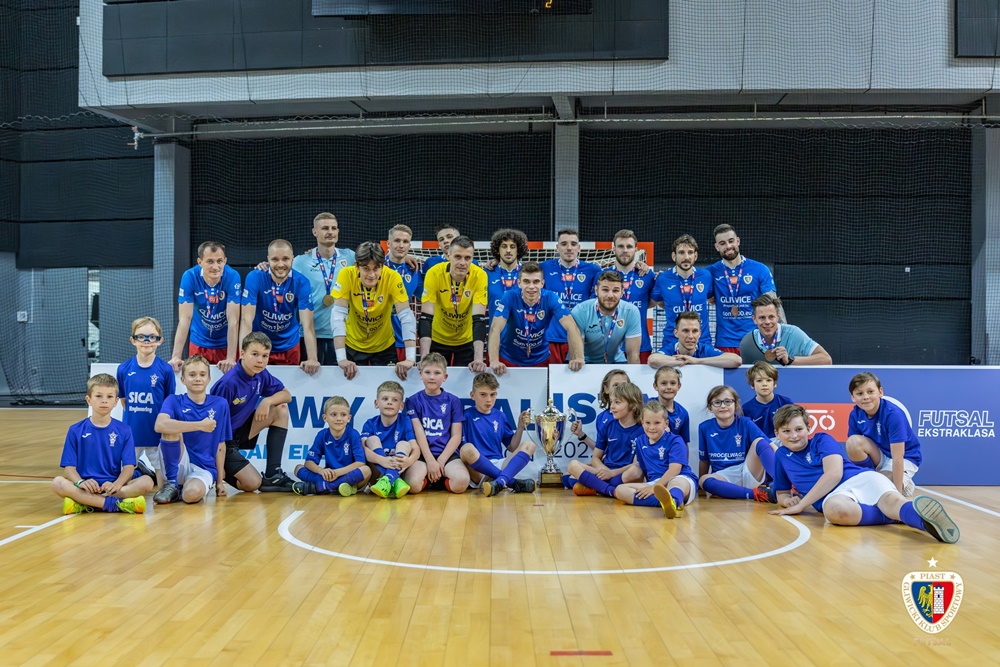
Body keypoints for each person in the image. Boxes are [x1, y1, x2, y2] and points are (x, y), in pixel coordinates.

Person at [769, 404, 959, 543]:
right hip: (834, 498)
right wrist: (788, 501)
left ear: (808, 428)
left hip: (860, 479)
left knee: (892, 501)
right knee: (835, 512)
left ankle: (926, 524)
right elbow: (781, 493)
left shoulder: (821, 440)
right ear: (777, 434)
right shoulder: (781, 457)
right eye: (786, 431)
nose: (794, 435)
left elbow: (834, 474)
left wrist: (801, 505)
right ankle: (900, 515)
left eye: (799, 429)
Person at [570, 401, 697, 519]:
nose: (652, 427)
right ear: (642, 423)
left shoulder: (675, 440)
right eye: (648, 423)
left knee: (677, 483)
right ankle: (666, 502)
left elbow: (674, 470)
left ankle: (674, 501)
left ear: (666, 424)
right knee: (621, 490)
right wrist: (651, 486)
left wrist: (654, 487)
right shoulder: (641, 441)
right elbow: (640, 467)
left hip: (678, 478)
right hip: (655, 484)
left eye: (657, 423)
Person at [52, 374, 151, 514]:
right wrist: (80, 482)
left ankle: (85, 503)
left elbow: (128, 468)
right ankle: (114, 504)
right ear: (89, 400)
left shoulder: (124, 430)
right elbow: (69, 469)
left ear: (116, 401)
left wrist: (116, 484)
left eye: (109, 397)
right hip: (85, 486)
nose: (104, 400)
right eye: (99, 396)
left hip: (111, 486)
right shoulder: (75, 430)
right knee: (57, 483)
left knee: (147, 482)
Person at [209, 332, 294, 492]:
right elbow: (213, 425)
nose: (260, 360)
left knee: (280, 409)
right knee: (253, 484)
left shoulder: (261, 373)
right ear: (242, 354)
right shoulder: (228, 383)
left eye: (265, 355)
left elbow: (287, 395)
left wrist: (267, 401)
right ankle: (215, 470)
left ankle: (273, 473)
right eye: (255, 354)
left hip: (240, 431)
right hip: (222, 440)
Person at [329, 241, 416, 381]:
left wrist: (410, 358)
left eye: (376, 268)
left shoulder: (392, 277)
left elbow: (406, 316)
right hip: (353, 345)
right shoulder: (346, 274)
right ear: (357, 266)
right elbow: (338, 316)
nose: (371, 274)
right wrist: (341, 358)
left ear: (382, 266)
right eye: (365, 268)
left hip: (384, 346)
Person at [153, 356, 233, 504]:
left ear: (209, 379)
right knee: (169, 427)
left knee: (190, 495)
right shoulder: (173, 400)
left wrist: (220, 483)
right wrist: (200, 425)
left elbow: (221, 446)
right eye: (192, 375)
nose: (197, 379)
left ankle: (179, 490)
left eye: (202, 374)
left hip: (203, 467)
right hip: (177, 461)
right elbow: (159, 425)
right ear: (183, 379)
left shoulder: (220, 404)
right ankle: (171, 484)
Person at [487, 261, 585, 374]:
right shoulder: (509, 297)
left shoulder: (550, 298)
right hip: (509, 358)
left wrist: (579, 357)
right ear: (519, 283)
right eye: (526, 281)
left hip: (541, 359)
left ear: (542, 283)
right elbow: (495, 328)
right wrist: (494, 361)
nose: (531, 287)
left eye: (536, 282)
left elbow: (572, 327)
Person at [240, 239, 321, 374]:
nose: (280, 264)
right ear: (268, 260)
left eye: (285, 259)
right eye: (275, 259)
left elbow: (308, 325)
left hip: (289, 346)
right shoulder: (255, 277)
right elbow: (246, 320)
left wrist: (312, 358)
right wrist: (243, 355)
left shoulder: (302, 282)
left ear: (293, 259)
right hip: (259, 347)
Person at [117, 316, 175, 486]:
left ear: (160, 340)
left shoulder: (165, 370)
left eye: (152, 337)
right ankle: (137, 476)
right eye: (141, 336)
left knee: (163, 480)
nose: (147, 341)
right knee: (124, 476)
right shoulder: (123, 369)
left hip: (156, 434)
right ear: (133, 340)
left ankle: (154, 483)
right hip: (132, 434)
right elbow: (124, 401)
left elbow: (168, 403)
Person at [291, 212, 356, 366]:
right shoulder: (301, 262)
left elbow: (376, 263)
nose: (330, 232)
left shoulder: (350, 257)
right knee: (310, 378)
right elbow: (279, 268)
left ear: (338, 231)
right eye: (325, 228)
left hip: (342, 334)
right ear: (315, 232)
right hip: (309, 334)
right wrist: (264, 266)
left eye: (334, 228)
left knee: (342, 380)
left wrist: (403, 258)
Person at [844, 372, 922, 497]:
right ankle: (872, 478)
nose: (865, 397)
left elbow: (898, 457)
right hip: (880, 454)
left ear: (880, 392)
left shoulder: (893, 414)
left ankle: (904, 485)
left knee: (877, 485)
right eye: (860, 393)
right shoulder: (855, 414)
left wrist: (897, 496)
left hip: (904, 457)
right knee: (853, 442)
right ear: (853, 397)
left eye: (870, 392)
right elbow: (855, 447)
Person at [459, 373, 536, 497]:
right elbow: (463, 451)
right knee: (466, 448)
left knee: (529, 445)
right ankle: (510, 482)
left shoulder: (500, 415)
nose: (489, 400)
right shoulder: (465, 415)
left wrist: (520, 427)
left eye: (492, 394)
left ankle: (499, 482)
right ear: (472, 395)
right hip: (478, 469)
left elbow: (512, 447)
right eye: (483, 395)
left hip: (499, 464)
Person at [169, 241, 242, 373]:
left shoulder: (232, 276)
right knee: (197, 382)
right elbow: (185, 319)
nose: (215, 267)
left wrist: (231, 358)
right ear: (200, 262)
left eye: (219, 261)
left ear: (225, 261)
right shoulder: (190, 276)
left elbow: (233, 320)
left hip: (225, 344)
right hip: (199, 342)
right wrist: (176, 356)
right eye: (210, 261)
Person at [419, 236, 489, 371]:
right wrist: (424, 355)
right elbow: (426, 317)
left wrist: (478, 359)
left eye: (467, 258)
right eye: (458, 257)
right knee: (434, 378)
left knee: (467, 381)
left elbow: (479, 319)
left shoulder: (480, 275)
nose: (462, 262)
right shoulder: (434, 273)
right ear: (448, 256)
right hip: (438, 338)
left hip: (466, 340)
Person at [403, 353, 469, 494]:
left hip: (447, 454)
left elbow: (456, 436)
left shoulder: (453, 401)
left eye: (437, 373)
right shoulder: (413, 401)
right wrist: (430, 461)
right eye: (427, 372)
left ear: (445, 377)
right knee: (412, 485)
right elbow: (419, 432)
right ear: (421, 375)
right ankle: (427, 480)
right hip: (422, 454)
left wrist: (441, 461)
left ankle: (441, 481)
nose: (432, 377)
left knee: (462, 482)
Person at [698, 385, 776, 503]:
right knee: (704, 480)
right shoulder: (704, 427)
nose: (723, 406)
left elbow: (769, 445)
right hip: (724, 477)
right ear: (710, 407)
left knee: (759, 441)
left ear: (736, 405)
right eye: (717, 402)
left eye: (728, 401)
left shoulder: (745, 423)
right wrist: (701, 486)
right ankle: (758, 494)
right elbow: (704, 460)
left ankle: (781, 484)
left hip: (747, 469)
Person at [708, 224, 778, 354]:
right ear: (717, 247)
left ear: (738, 241)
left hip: (755, 339)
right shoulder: (710, 272)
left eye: (731, 241)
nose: (728, 246)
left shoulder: (759, 269)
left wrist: (782, 335)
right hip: (725, 341)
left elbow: (774, 304)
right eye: (722, 243)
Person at [564, 382, 646, 494]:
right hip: (605, 471)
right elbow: (595, 458)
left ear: (634, 405)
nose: (612, 406)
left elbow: (636, 465)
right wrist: (605, 471)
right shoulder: (608, 425)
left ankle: (597, 486)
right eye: (611, 402)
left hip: (624, 474)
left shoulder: (642, 430)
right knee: (573, 465)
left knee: (636, 472)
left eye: (617, 402)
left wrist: (612, 474)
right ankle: (610, 490)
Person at [541, 229, 602, 364]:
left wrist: (639, 265)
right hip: (552, 337)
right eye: (564, 244)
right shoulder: (544, 267)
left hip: (581, 337)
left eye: (573, 244)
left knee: (577, 375)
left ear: (579, 248)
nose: (569, 248)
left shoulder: (593, 270)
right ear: (557, 247)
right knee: (551, 376)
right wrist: (496, 262)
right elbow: (520, 271)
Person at [291, 396, 371, 496]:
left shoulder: (353, 434)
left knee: (366, 470)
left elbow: (360, 462)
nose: (339, 418)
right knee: (298, 468)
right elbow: (308, 462)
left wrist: (337, 473)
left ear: (349, 418)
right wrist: (321, 471)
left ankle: (321, 487)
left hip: (347, 475)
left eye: (343, 415)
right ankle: (332, 486)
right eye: (334, 414)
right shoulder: (322, 435)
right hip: (329, 476)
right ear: (325, 418)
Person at [651, 234, 714, 353]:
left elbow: (712, 299)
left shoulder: (706, 276)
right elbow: (654, 302)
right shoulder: (663, 279)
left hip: (702, 342)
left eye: (690, 252)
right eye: (681, 253)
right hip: (672, 342)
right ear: (673, 256)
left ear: (695, 256)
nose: (686, 257)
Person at [361, 380, 419, 499]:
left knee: (404, 444)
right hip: (377, 473)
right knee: (372, 440)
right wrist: (382, 460)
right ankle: (392, 480)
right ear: (376, 403)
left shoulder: (405, 420)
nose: (389, 402)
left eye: (395, 400)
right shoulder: (370, 423)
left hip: (400, 469)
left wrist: (409, 461)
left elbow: (415, 448)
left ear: (401, 406)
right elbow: (362, 450)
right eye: (385, 399)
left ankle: (389, 479)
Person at [570, 270, 642, 364]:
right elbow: (576, 355)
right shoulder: (580, 311)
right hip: (586, 363)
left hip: (617, 362)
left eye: (615, 291)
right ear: (596, 291)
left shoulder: (631, 311)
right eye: (605, 290)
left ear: (622, 292)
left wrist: (633, 374)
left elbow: (633, 355)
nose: (610, 295)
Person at [739, 294, 832, 366]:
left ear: (778, 316)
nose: (767, 322)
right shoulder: (748, 342)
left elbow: (826, 359)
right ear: (754, 319)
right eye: (762, 318)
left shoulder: (794, 333)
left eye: (771, 317)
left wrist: (790, 360)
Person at [609, 229, 657, 363]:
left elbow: (654, 301)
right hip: (610, 345)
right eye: (620, 246)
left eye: (629, 246)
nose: (625, 250)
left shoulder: (647, 275)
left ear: (636, 249)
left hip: (641, 344)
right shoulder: (603, 275)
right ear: (613, 249)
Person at [647, 311, 741, 369]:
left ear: (699, 334)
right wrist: (686, 361)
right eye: (685, 331)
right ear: (676, 333)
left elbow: (736, 360)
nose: (691, 336)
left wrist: (697, 361)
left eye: (695, 331)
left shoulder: (704, 349)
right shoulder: (671, 348)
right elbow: (653, 360)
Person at [385, 224, 424, 363]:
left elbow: (426, 299)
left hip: (403, 338)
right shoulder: (376, 267)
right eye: (397, 241)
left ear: (409, 245)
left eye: (405, 242)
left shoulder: (414, 271)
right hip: (378, 338)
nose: (401, 245)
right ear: (388, 244)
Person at [569, 369, 630, 451]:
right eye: (615, 385)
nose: (620, 389)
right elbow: (600, 450)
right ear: (606, 389)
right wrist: (581, 434)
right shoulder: (602, 418)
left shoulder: (638, 414)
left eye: (624, 385)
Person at [740, 361, 794, 440]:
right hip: (759, 444)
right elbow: (746, 435)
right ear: (752, 385)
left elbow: (793, 427)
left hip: (783, 442)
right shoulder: (746, 409)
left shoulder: (786, 403)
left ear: (775, 384)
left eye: (768, 380)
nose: (764, 384)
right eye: (759, 380)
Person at [486, 228, 529, 317]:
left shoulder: (529, 273)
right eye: (504, 246)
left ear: (518, 250)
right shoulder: (486, 273)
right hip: (495, 326)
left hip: (524, 326)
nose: (508, 250)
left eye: (512, 247)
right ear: (498, 250)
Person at [651, 366, 690, 447]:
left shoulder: (683, 413)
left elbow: (684, 443)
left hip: (672, 453)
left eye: (673, 383)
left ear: (679, 386)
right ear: (655, 386)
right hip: (649, 452)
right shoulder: (647, 407)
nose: (669, 387)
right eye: (664, 383)